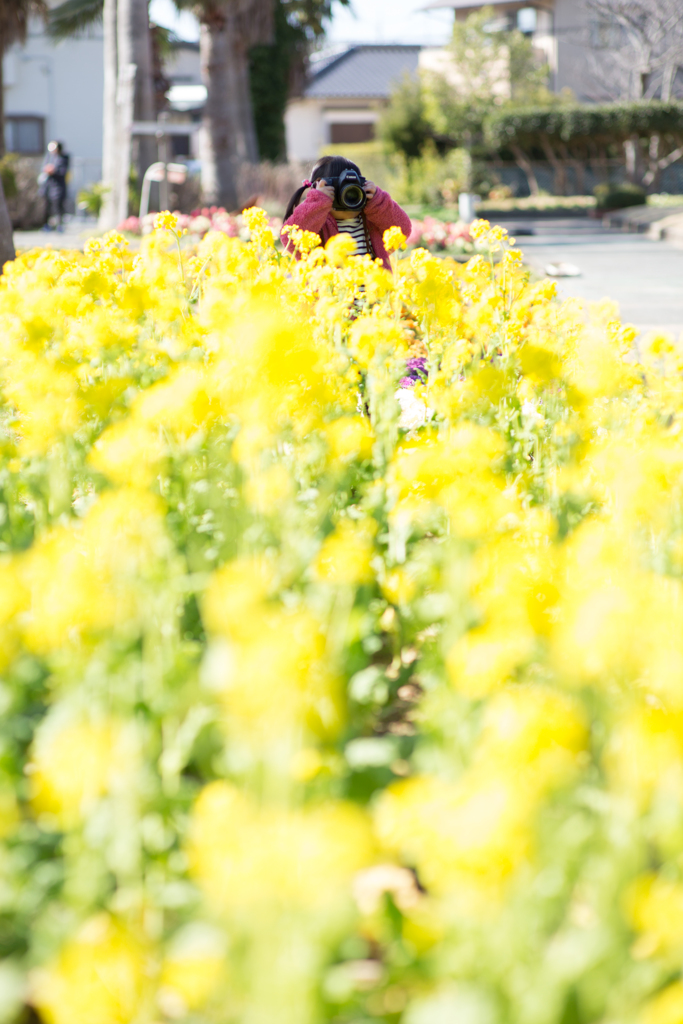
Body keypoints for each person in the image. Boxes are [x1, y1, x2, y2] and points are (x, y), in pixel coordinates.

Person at [281, 155, 411, 270]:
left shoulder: (372, 219)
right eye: (341, 187)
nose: (348, 193)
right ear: (320, 188)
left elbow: (403, 231)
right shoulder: (317, 226)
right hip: (331, 296)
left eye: (354, 186)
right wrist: (317, 202)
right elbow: (290, 240)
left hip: (375, 296)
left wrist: (378, 201)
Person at [40, 141, 69, 231]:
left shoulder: (63, 157)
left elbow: (63, 171)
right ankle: (46, 226)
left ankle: (59, 225)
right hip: (48, 186)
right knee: (46, 206)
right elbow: (44, 168)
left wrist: (53, 170)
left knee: (58, 206)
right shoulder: (49, 157)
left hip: (58, 186)